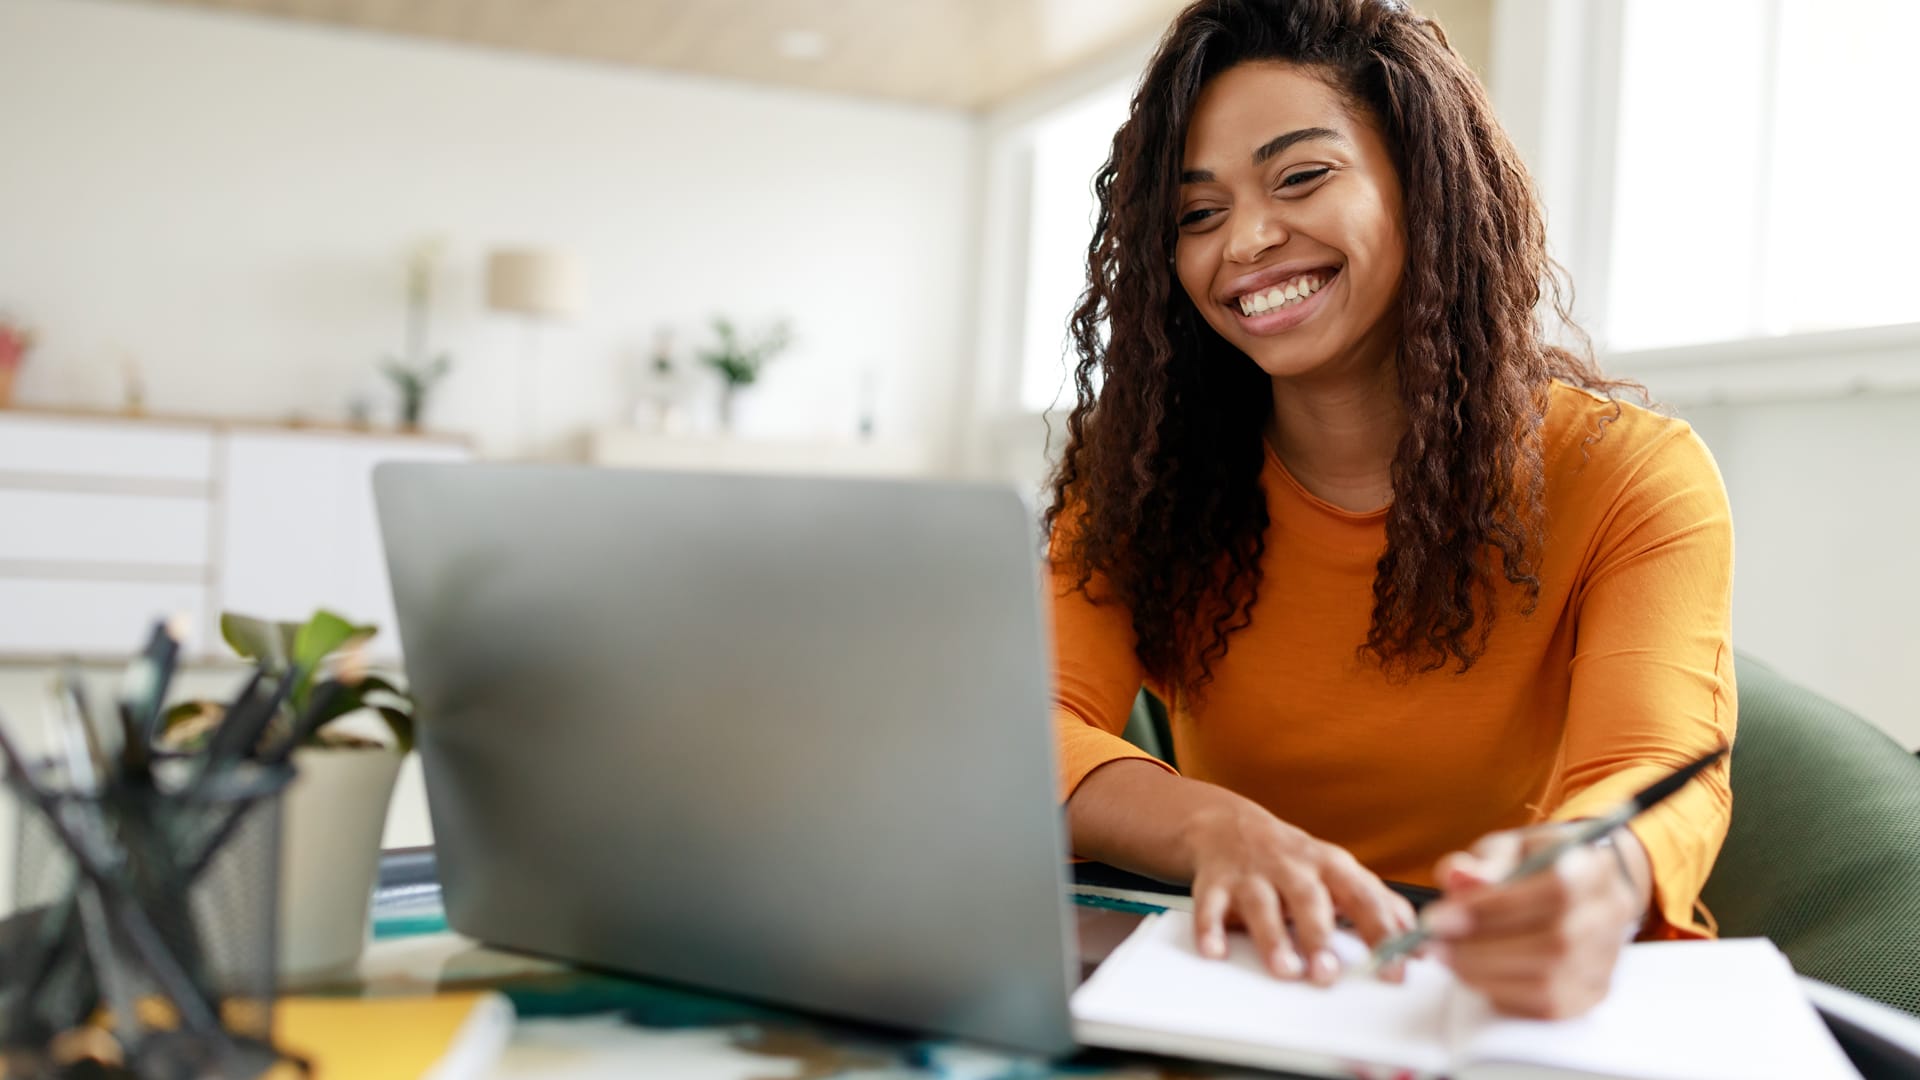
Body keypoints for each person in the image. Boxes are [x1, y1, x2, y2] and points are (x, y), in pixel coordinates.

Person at [1046, 0, 1734, 1020]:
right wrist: (1212, 829)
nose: (1248, 240)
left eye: (1301, 176)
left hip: (1505, 1003)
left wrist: (1601, 876)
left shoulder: (1633, 475)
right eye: (1197, 214)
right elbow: (1032, 727)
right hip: (1248, 985)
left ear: (1427, 184)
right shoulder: (1142, 480)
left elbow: (1654, 770)